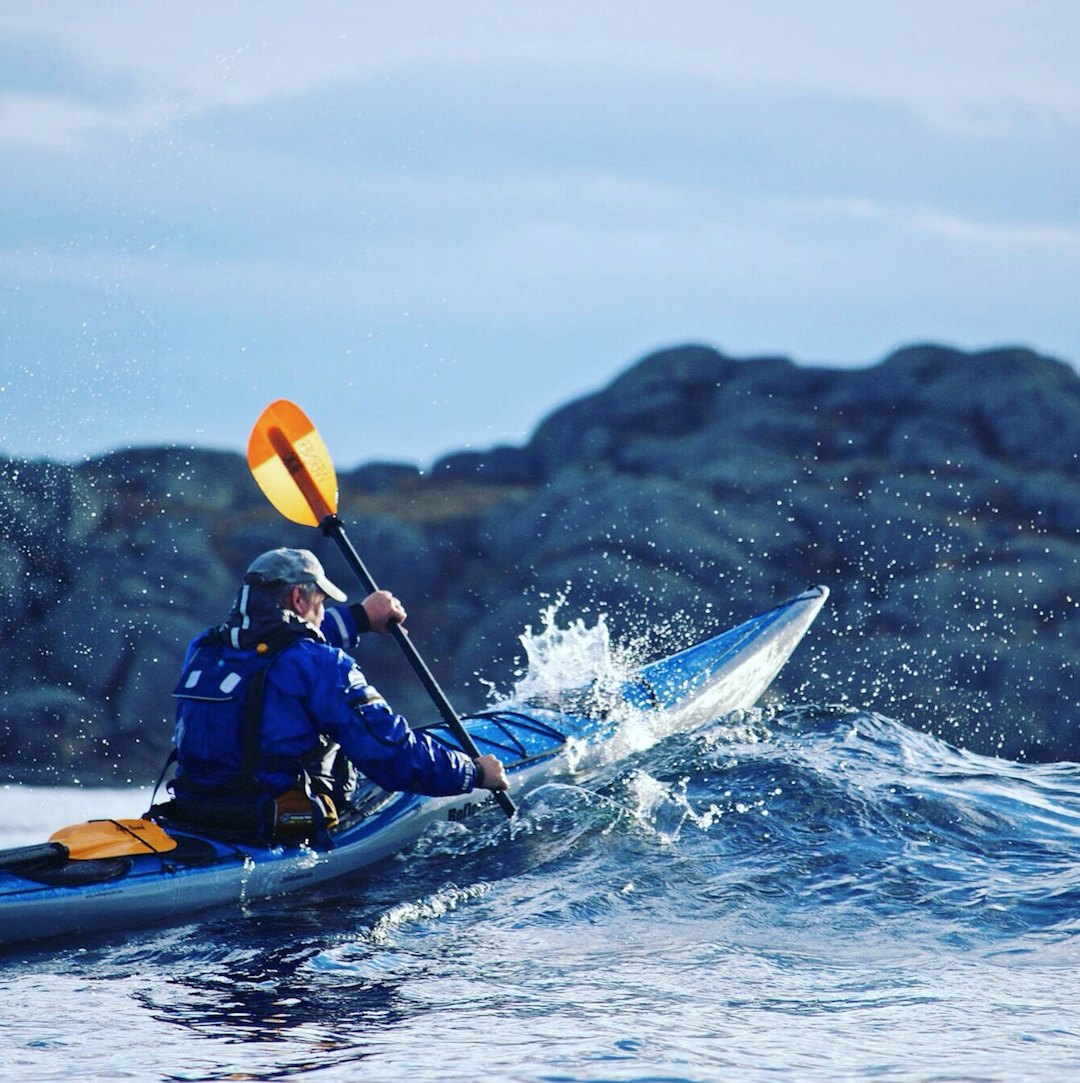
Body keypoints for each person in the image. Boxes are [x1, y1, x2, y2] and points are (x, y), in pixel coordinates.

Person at [158, 547, 508, 842]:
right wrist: (472, 773)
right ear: (298, 598)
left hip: (196, 813)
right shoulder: (323, 664)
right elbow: (390, 754)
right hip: (273, 824)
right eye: (321, 600)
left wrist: (360, 618)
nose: (323, 610)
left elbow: (278, 642)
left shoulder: (205, 649)